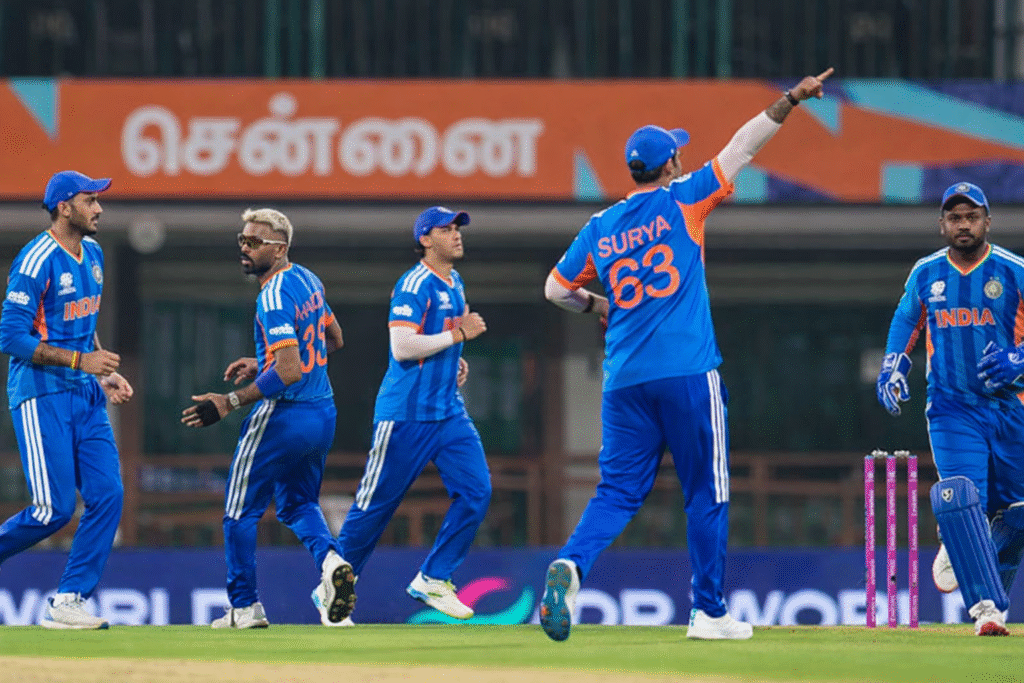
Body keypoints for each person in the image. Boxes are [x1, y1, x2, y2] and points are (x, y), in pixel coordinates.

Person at [539, 69, 834, 642]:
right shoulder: (685, 200)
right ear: (670, 165)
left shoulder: (600, 226)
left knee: (618, 492)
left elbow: (553, 288)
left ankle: (572, 564)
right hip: (688, 372)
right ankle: (708, 612)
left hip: (624, 379)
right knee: (708, 491)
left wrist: (599, 305)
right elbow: (742, 147)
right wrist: (791, 100)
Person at [181, 208, 355, 629]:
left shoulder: (272, 294)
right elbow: (333, 339)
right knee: (298, 504)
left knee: (239, 510)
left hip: (283, 414)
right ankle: (331, 562)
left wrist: (230, 401)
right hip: (322, 414)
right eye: (242, 240)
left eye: (255, 242)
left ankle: (245, 607)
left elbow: (291, 369)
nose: (245, 248)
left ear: (280, 249)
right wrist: (265, 361)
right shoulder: (308, 279)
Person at [877, 182, 1024, 636]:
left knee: (1017, 514)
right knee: (964, 497)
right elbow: (906, 319)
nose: (964, 224)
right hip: (951, 408)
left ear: (987, 222)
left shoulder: (1014, 270)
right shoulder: (926, 273)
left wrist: (1019, 358)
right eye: (955, 217)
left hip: (1012, 408)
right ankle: (987, 609)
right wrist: (892, 366)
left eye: (972, 216)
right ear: (942, 224)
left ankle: (960, 541)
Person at [334, 206, 489, 622]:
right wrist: (458, 335)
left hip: (447, 412)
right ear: (425, 239)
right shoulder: (414, 283)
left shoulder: (454, 281)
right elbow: (403, 346)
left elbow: (434, 342)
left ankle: (434, 578)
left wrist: (455, 358)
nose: (456, 234)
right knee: (375, 506)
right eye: (446, 229)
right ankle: (333, 586)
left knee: (476, 491)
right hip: (406, 413)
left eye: (458, 228)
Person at [0, 170, 133, 629]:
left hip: (84, 394)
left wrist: (104, 373)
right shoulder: (36, 260)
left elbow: (82, 324)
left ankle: (70, 599)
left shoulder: (94, 254)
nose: (98, 209)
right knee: (52, 509)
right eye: (90, 200)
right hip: (42, 395)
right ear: (63, 207)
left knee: (109, 494)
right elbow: (11, 338)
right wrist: (82, 363)